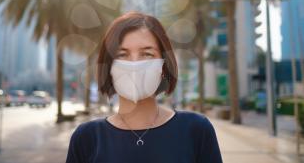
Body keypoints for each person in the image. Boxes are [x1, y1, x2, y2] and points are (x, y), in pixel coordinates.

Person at [65, 11, 223, 163]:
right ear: (109, 67)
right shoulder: (87, 138)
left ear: (163, 66)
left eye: (147, 54)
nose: (134, 64)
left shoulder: (196, 130)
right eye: (122, 55)